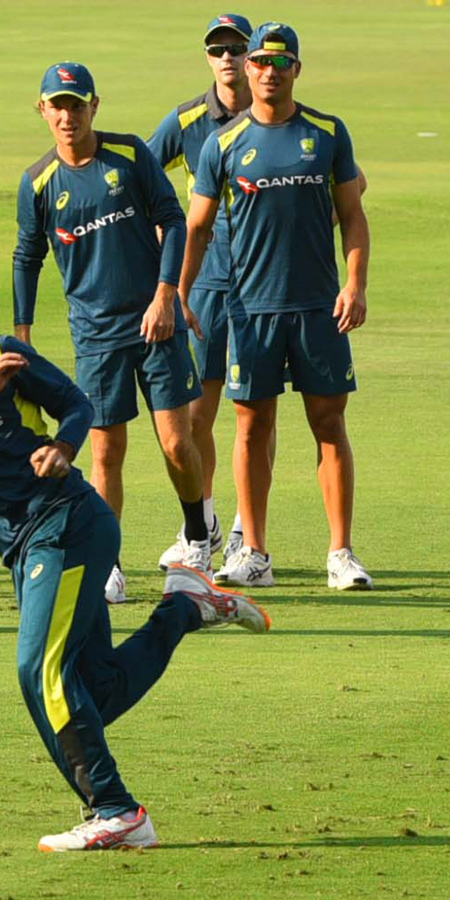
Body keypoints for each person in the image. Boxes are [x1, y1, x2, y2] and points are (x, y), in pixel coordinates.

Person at [0, 256, 270, 851]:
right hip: (23, 547)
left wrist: (65, 444)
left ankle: (116, 811)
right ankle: (184, 604)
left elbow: (77, 402)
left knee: (40, 671)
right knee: (93, 690)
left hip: (69, 521)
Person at [182, 22, 372, 590]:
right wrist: (180, 293)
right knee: (250, 425)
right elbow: (196, 227)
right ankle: (254, 552)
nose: (268, 71)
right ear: (249, 68)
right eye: (260, 61)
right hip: (250, 308)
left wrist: (355, 284)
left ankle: (340, 553)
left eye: (279, 62)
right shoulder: (223, 143)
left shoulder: (328, 133)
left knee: (329, 424)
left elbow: (354, 216)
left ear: (296, 69)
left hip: (318, 305)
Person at [12, 62, 207, 604]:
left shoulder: (129, 156)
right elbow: (27, 258)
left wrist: (166, 294)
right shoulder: (38, 182)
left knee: (175, 442)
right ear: (43, 110)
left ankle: (196, 535)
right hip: (95, 336)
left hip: (156, 324)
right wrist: (22, 332)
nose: (68, 115)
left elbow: (172, 220)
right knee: (104, 454)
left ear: (94, 106)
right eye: (58, 105)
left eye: (77, 104)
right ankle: (109, 561)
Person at [147, 14, 255, 568]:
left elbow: (347, 184)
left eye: (238, 47)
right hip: (204, 282)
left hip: (261, 282)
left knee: (251, 412)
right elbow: (143, 170)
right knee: (195, 415)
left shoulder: (275, 118)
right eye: (219, 49)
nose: (229, 57)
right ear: (208, 58)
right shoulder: (189, 120)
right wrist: (166, 228)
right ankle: (205, 523)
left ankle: (246, 530)